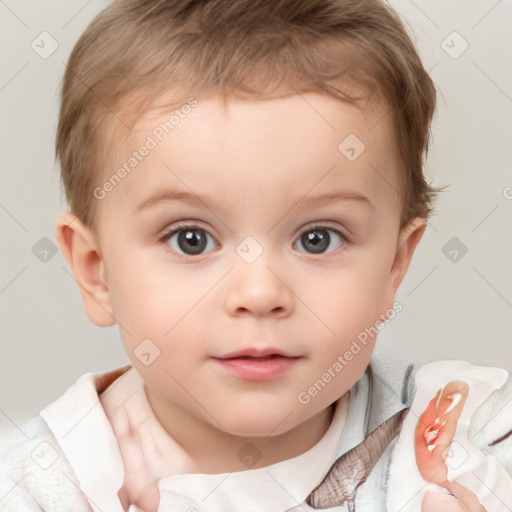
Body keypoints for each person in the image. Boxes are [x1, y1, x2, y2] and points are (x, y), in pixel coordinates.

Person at [1, 0, 510, 510]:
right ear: (98, 272)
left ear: (393, 267)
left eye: (318, 238)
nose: (260, 293)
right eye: (190, 239)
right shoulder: (39, 490)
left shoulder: (472, 435)